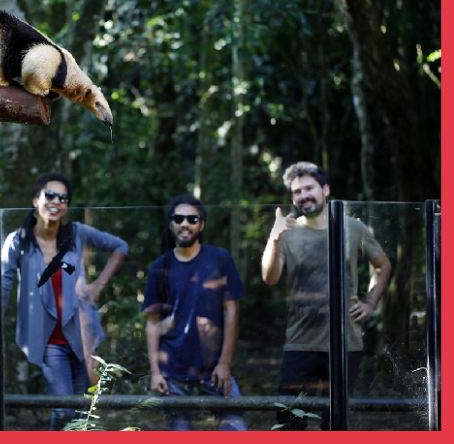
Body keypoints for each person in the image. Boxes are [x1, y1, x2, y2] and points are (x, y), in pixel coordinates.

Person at [261, 161, 392, 430]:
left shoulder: (353, 228)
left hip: (346, 345)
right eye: (296, 192)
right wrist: (274, 239)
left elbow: (383, 265)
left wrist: (370, 303)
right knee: (289, 423)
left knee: (336, 424)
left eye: (309, 188)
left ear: (326, 190)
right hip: (300, 343)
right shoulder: (286, 231)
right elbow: (269, 278)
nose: (303, 195)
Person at [1, 173, 128, 431]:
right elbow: (2, 285)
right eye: (50, 195)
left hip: (81, 334)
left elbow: (120, 246)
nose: (56, 201)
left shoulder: (77, 233)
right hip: (48, 341)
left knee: (84, 412)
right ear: (36, 200)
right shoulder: (18, 241)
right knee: (64, 410)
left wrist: (98, 286)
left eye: (64, 197)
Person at [142, 194, 248, 431]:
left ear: (201, 224)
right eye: (179, 218)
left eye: (192, 219)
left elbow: (231, 311)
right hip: (173, 373)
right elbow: (152, 322)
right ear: (171, 224)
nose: (185, 224)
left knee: (237, 430)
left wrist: (224, 364)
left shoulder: (219, 258)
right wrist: (155, 372)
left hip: (214, 370)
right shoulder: (159, 266)